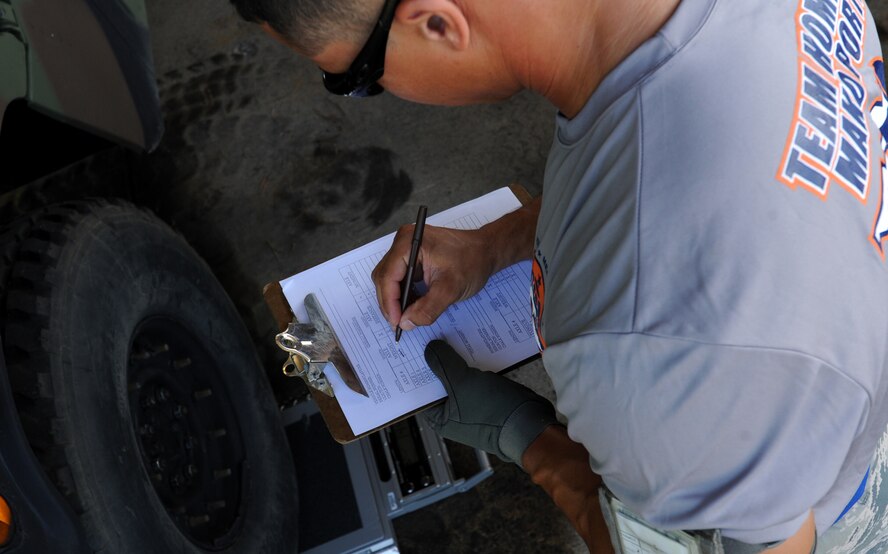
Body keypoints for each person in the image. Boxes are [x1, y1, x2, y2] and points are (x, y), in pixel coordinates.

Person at [230, 0, 888, 551]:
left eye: (357, 78)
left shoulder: (646, 355)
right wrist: (496, 245)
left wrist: (528, 438)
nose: (375, 93)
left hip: (845, 487)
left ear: (436, 21)